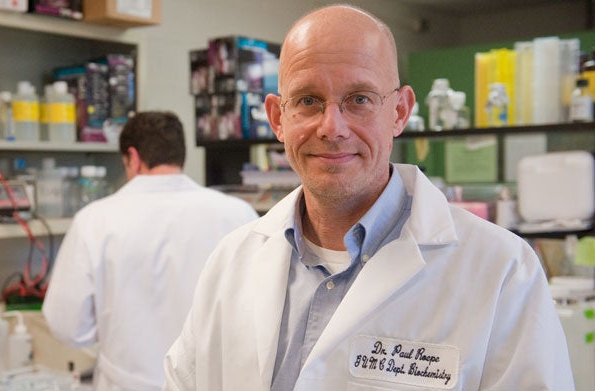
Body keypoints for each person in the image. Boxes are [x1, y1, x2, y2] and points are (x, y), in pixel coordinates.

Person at [163, 5, 574, 391]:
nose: (332, 127)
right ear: (277, 119)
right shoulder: (231, 261)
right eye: (308, 101)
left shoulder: (502, 271)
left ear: (399, 111)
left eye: (359, 99)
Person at [42, 111, 258, 390]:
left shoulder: (95, 220)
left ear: (132, 157)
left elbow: (68, 327)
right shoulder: (238, 214)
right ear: (181, 155)